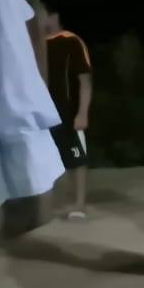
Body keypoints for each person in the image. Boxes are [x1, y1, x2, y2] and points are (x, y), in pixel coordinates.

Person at [43, 12, 92, 219]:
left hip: (68, 113)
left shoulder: (71, 41)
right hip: (43, 114)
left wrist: (82, 112)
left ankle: (79, 204)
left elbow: (85, 82)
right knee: (46, 161)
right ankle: (50, 206)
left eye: (41, 14)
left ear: (53, 16)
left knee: (76, 159)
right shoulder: (36, 45)